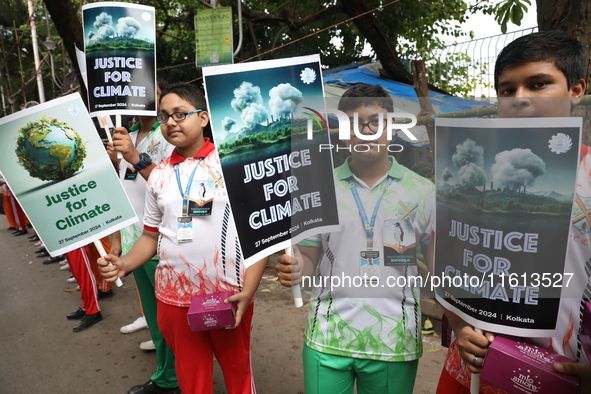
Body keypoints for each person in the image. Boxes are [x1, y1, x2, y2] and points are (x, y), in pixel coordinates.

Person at [436, 30, 591, 394]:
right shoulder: (462, 180)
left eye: (539, 84)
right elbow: (448, 261)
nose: (520, 99)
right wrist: (459, 326)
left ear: (576, 90)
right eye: (507, 90)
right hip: (468, 369)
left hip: (558, 375)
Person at [98, 82, 267, 394]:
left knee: (238, 375)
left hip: (227, 295)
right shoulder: (159, 175)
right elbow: (150, 236)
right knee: (192, 381)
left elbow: (260, 233)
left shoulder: (233, 164)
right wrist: (123, 264)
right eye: (164, 117)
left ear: (203, 118)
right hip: (174, 299)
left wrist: (249, 290)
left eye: (179, 114)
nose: (170, 122)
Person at [275, 83, 435, 394]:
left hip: (394, 342)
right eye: (354, 123)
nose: (366, 131)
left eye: (375, 121)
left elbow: (442, 268)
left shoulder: (424, 192)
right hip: (327, 337)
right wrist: (297, 268)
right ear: (343, 133)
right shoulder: (319, 188)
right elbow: (308, 258)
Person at [106, 76, 179, 394]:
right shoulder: (128, 135)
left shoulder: (168, 137)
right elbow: (124, 191)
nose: (145, 98)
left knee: (169, 319)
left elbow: (171, 187)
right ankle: (167, 376)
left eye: (154, 93)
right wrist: (117, 241)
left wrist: (134, 156)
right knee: (154, 317)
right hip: (136, 243)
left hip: (160, 242)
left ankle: (175, 378)